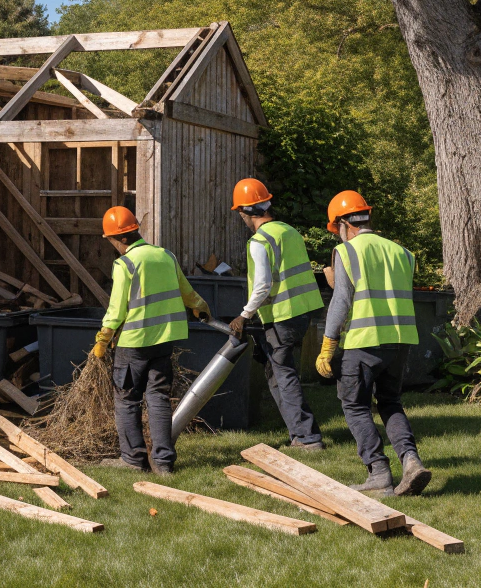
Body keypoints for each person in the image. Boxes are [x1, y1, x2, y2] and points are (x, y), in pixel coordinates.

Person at [315, 190, 432, 497]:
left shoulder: (348, 252)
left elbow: (342, 302)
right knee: (391, 402)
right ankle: (411, 461)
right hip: (400, 340)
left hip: (364, 343)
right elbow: (379, 290)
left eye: (336, 229)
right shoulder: (402, 253)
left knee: (354, 405)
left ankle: (379, 472)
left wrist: (328, 344)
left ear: (343, 223)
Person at [92, 206, 211, 474]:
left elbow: (116, 309)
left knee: (127, 398)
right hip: (164, 341)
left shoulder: (125, 264)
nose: (113, 246)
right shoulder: (165, 256)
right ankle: (163, 462)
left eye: (111, 240)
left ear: (120, 238)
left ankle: (133, 460)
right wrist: (200, 305)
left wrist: (103, 338)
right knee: (158, 397)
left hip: (133, 344)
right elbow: (186, 291)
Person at [228, 178, 326, 451]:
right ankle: (298, 434)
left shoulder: (260, 241)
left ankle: (307, 438)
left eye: (240, 213)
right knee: (275, 371)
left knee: (284, 374)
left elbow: (263, 284)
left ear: (246, 212)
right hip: (301, 312)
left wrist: (244, 315)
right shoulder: (289, 231)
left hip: (282, 316)